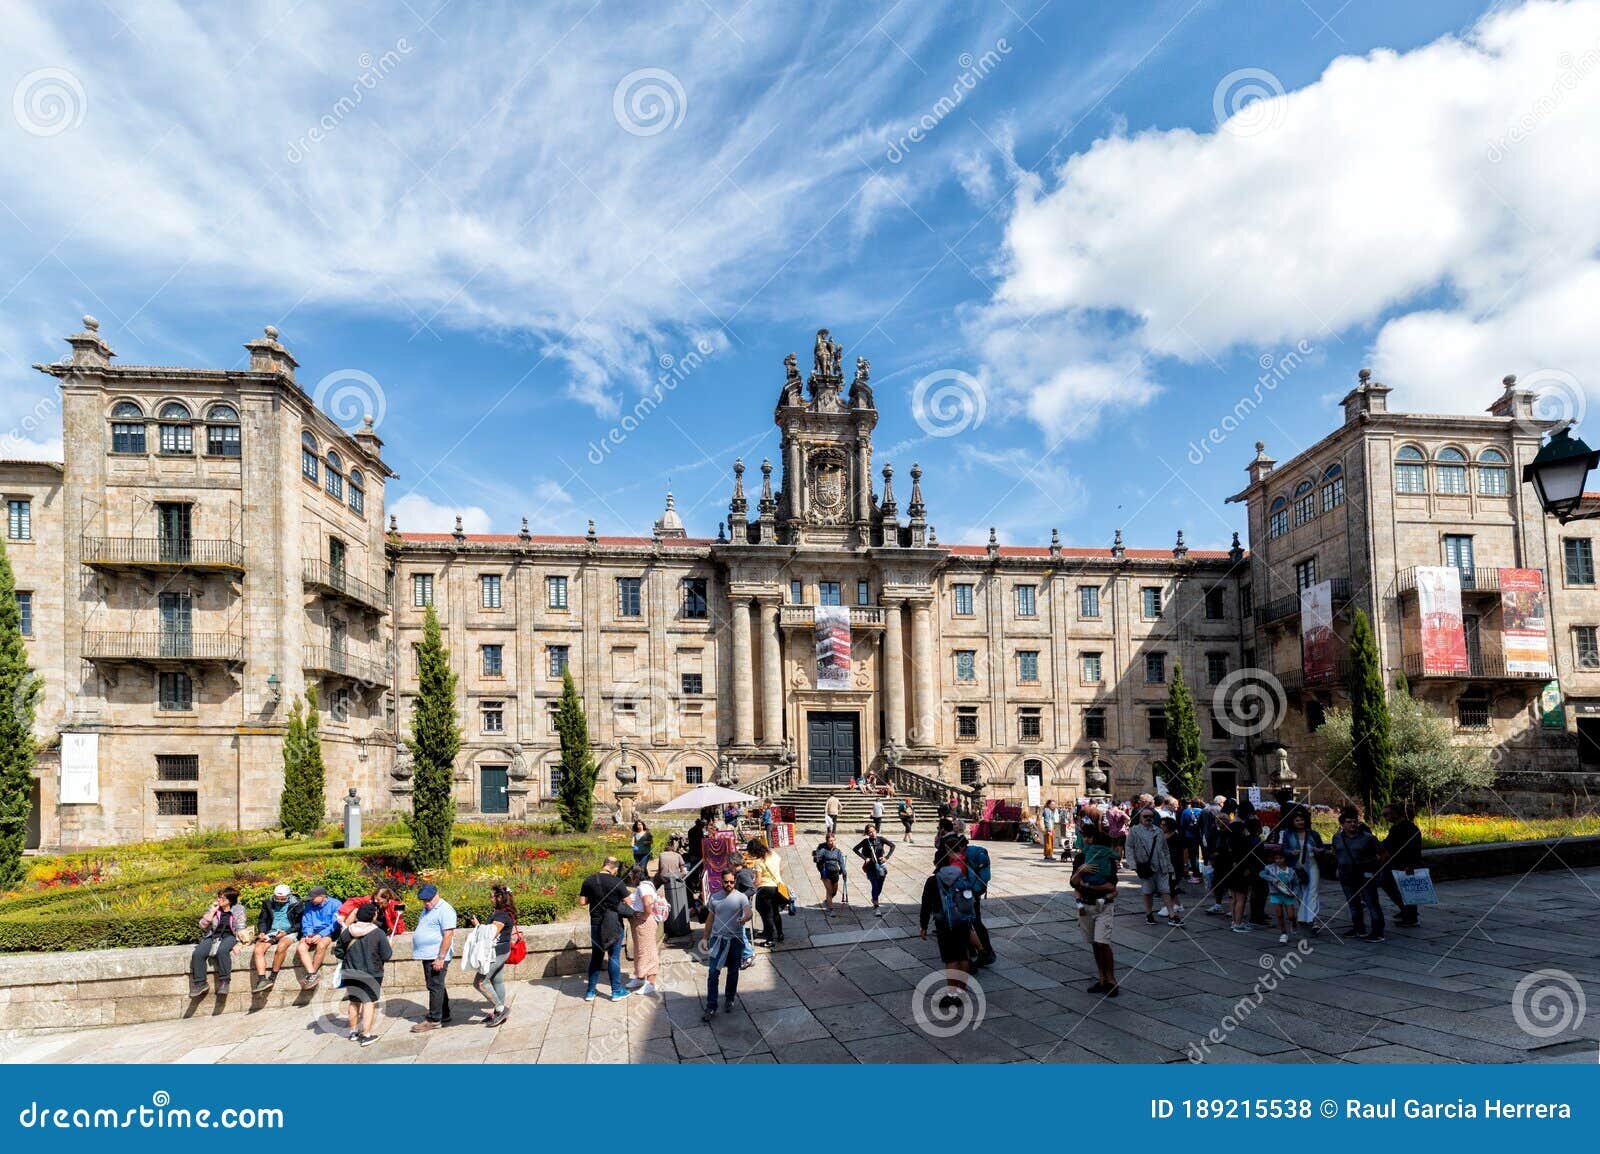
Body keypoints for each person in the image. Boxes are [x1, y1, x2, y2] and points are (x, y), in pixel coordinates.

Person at [920, 858, 977, 1012]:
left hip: (945, 924)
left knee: (951, 958)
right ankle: (962, 992)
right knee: (963, 956)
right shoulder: (961, 876)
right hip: (963, 921)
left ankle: (952, 994)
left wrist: (923, 925)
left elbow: (926, 904)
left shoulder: (933, 881)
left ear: (936, 863)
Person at [1070, 819, 1119, 996]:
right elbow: (1073, 883)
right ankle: (1102, 978)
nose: (1088, 841)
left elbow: (1111, 886)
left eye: (1091, 837)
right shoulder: (1080, 858)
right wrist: (1081, 872)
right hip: (1086, 906)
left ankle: (1112, 979)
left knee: (1102, 942)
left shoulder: (1106, 857)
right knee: (1094, 944)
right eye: (1085, 837)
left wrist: (1089, 886)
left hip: (1104, 906)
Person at [333, 902, 393, 1046]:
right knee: (368, 1002)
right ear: (373, 916)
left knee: (354, 1001)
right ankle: (366, 1034)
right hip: (371, 972)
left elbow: (338, 952)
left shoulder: (347, 931)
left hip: (350, 972)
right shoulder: (378, 933)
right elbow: (386, 955)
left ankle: (353, 1032)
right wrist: (389, 946)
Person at [578, 856, 632, 1001]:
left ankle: (590, 992)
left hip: (596, 923)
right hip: (613, 923)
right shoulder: (617, 881)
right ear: (615, 868)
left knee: (596, 957)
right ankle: (616, 991)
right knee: (613, 957)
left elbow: (582, 902)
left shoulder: (589, 880)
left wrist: (594, 898)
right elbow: (629, 901)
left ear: (603, 865)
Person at [702, 868, 752, 1021]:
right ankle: (711, 1006)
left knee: (733, 972)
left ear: (735, 881)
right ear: (721, 881)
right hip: (717, 940)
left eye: (731, 881)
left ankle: (729, 998)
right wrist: (705, 938)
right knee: (713, 974)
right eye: (726, 882)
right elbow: (710, 919)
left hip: (735, 941)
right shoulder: (714, 898)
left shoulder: (741, 897)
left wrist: (744, 919)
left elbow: (748, 912)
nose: (729, 884)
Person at [409, 883, 458, 1032]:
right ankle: (444, 1014)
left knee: (434, 986)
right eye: (424, 901)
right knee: (437, 985)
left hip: (436, 955)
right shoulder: (427, 909)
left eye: (429, 900)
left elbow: (448, 935)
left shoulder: (445, 910)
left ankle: (434, 1019)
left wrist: (440, 957)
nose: (427, 903)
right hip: (428, 954)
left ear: (437, 894)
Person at [1332, 809, 1385, 942]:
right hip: (1346, 875)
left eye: (1355, 821)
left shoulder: (1368, 838)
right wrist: (1338, 868)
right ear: (1342, 824)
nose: (1352, 824)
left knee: (1372, 903)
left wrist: (1376, 869)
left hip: (1364, 874)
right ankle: (1359, 928)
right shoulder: (1337, 838)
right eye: (1348, 822)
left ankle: (1378, 932)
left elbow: (1384, 854)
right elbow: (1337, 853)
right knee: (1353, 903)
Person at [468, 883, 517, 1026]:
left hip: (497, 953)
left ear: (500, 897)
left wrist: (478, 926)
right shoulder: (500, 911)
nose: (490, 899)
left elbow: (490, 934)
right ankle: (498, 1012)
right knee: (497, 980)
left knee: (480, 982)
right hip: (502, 951)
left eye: (491, 896)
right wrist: (478, 925)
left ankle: (501, 1009)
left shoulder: (501, 915)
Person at [1127, 808, 1180, 925]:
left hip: (1162, 865)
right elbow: (1129, 847)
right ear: (1140, 818)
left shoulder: (1158, 831)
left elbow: (1165, 850)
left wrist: (1169, 865)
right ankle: (1149, 914)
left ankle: (1172, 915)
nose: (1148, 818)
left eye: (1150, 816)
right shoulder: (1134, 831)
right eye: (1145, 816)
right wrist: (1133, 864)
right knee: (1148, 891)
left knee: (1165, 890)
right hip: (1145, 866)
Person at [189, 887, 245, 997]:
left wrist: (239, 943)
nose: (219, 900)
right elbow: (202, 925)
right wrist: (212, 912)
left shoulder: (239, 909)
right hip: (213, 936)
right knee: (198, 953)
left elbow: (240, 927)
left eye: (223, 898)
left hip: (229, 936)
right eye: (219, 897)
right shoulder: (214, 908)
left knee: (222, 951)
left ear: (230, 900)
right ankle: (200, 983)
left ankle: (224, 982)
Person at [1275, 807, 1323, 934]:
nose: (1301, 822)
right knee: (1301, 893)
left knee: (1313, 891)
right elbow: (1283, 849)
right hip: (1297, 866)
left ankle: (1314, 919)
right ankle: (1305, 917)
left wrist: (1319, 850)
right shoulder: (1288, 834)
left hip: (1312, 864)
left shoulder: (1313, 834)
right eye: (1297, 820)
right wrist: (1291, 852)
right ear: (1292, 822)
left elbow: (1322, 848)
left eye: (1302, 820)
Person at [1378, 802, 1424, 927]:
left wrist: (1410, 865)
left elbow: (1414, 848)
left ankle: (1411, 917)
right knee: (1386, 882)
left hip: (1405, 864)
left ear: (1396, 813)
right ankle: (1405, 910)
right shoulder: (1396, 828)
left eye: (1386, 814)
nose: (1385, 817)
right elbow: (1387, 844)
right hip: (1395, 863)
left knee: (1407, 890)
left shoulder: (1409, 828)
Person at [251, 883, 301, 992]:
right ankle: (262, 979)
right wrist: (262, 932)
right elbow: (262, 920)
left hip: (289, 931)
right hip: (272, 931)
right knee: (258, 949)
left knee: (282, 946)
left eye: (282, 899)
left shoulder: (297, 904)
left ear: (288, 896)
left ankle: (273, 976)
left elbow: (298, 925)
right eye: (277, 899)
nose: (279, 901)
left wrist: (285, 932)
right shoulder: (268, 902)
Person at [624, 867, 661, 996]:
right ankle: (640, 977)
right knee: (640, 950)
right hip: (640, 923)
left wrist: (645, 916)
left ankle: (650, 983)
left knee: (648, 951)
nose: (630, 879)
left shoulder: (643, 887)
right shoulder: (645, 886)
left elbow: (648, 903)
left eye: (631, 876)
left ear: (636, 876)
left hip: (644, 923)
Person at [295, 885, 341, 988]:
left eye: (313, 898)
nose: (311, 901)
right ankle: (312, 974)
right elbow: (306, 921)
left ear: (323, 896)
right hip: (312, 931)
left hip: (328, 932)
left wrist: (321, 934)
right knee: (301, 947)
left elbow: (335, 924)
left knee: (321, 945)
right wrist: (308, 934)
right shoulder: (309, 905)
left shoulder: (336, 904)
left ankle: (312, 975)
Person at [745, 837, 786, 945]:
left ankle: (770, 939)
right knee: (775, 912)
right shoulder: (773, 854)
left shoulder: (759, 862)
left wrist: (751, 887)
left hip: (765, 890)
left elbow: (758, 881)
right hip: (777, 887)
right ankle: (780, 934)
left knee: (765, 913)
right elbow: (781, 869)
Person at [853, 822, 895, 915]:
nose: (872, 833)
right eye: (870, 832)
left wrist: (886, 857)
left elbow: (892, 846)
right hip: (870, 866)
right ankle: (876, 906)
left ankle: (874, 898)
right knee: (875, 885)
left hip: (881, 866)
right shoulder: (865, 841)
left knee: (880, 886)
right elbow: (855, 849)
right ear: (867, 833)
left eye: (873, 831)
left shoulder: (881, 839)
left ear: (876, 830)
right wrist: (865, 858)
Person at [655, 833, 692, 938]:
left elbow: (659, 869)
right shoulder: (677, 855)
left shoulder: (661, 855)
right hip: (675, 879)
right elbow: (683, 869)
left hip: (663, 878)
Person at [813, 831, 847, 913]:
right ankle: (831, 909)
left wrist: (844, 871)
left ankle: (828, 900)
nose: (832, 842)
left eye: (833, 840)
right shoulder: (823, 850)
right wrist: (816, 856)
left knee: (834, 892)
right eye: (830, 841)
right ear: (827, 842)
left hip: (835, 873)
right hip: (825, 872)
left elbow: (841, 862)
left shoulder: (838, 851)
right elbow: (818, 858)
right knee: (829, 891)